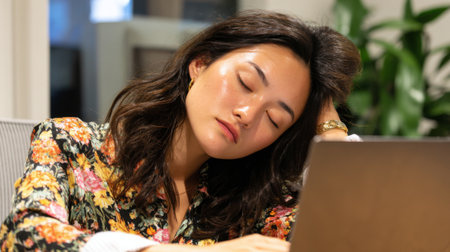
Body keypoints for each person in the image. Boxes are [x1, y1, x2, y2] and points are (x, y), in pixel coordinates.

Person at [0, 10, 360, 252]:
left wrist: (328, 124)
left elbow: (350, 234)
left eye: (275, 119)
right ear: (200, 64)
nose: (248, 114)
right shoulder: (69, 143)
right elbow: (24, 236)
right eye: (246, 83)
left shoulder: (254, 204)